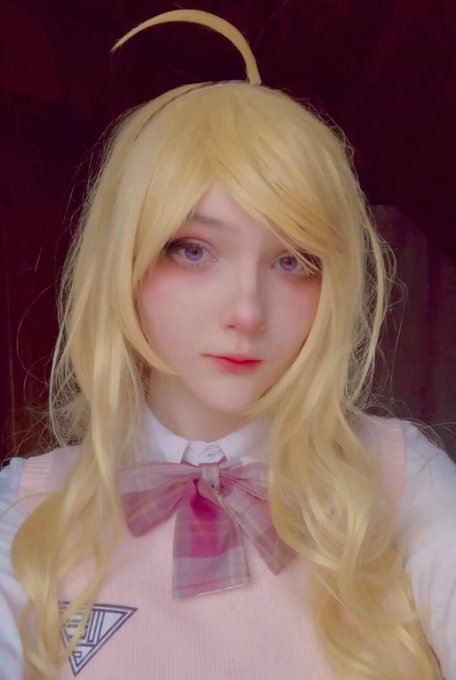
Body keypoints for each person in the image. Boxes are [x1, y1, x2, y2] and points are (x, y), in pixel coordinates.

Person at [0, 8, 455, 680]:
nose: (246, 311)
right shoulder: (25, 508)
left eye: (294, 260)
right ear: (123, 262)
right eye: (192, 249)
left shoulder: (403, 480)